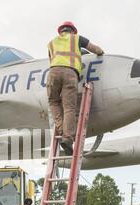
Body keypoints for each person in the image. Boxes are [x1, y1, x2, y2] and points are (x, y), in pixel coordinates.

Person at [47, 21, 104, 155]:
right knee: (69, 107)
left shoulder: (51, 43)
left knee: (53, 102)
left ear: (61, 31)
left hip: (53, 73)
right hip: (70, 73)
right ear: (73, 31)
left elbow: (51, 60)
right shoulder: (77, 39)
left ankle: (60, 129)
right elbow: (96, 49)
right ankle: (67, 138)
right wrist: (101, 52)